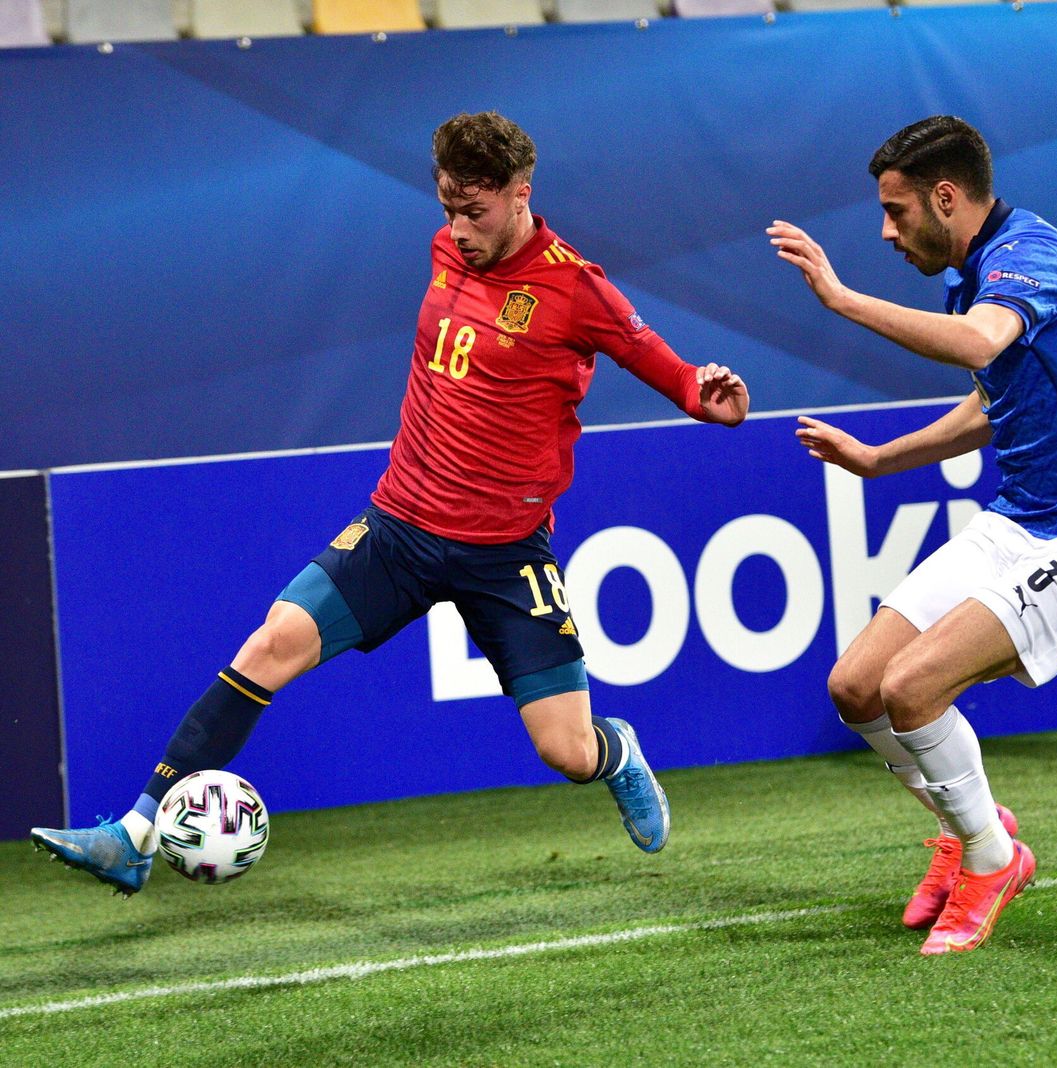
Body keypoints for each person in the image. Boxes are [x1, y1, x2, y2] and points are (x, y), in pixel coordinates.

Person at [32, 112, 749, 895]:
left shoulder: (576, 287)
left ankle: (619, 751)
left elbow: (660, 363)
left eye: (474, 212)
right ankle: (134, 835)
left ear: (521, 196)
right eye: (446, 208)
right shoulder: (447, 251)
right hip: (398, 526)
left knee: (565, 753)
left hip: (504, 553)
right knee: (270, 644)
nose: (457, 229)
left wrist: (699, 391)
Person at [768, 116, 1057, 954]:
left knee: (914, 688)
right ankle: (969, 826)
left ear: (946, 198)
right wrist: (881, 460)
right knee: (857, 686)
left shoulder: (1031, 258)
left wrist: (840, 300)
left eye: (896, 210)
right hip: (1021, 521)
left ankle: (991, 857)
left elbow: (982, 342)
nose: (885, 231)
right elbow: (993, 401)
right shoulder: (980, 268)